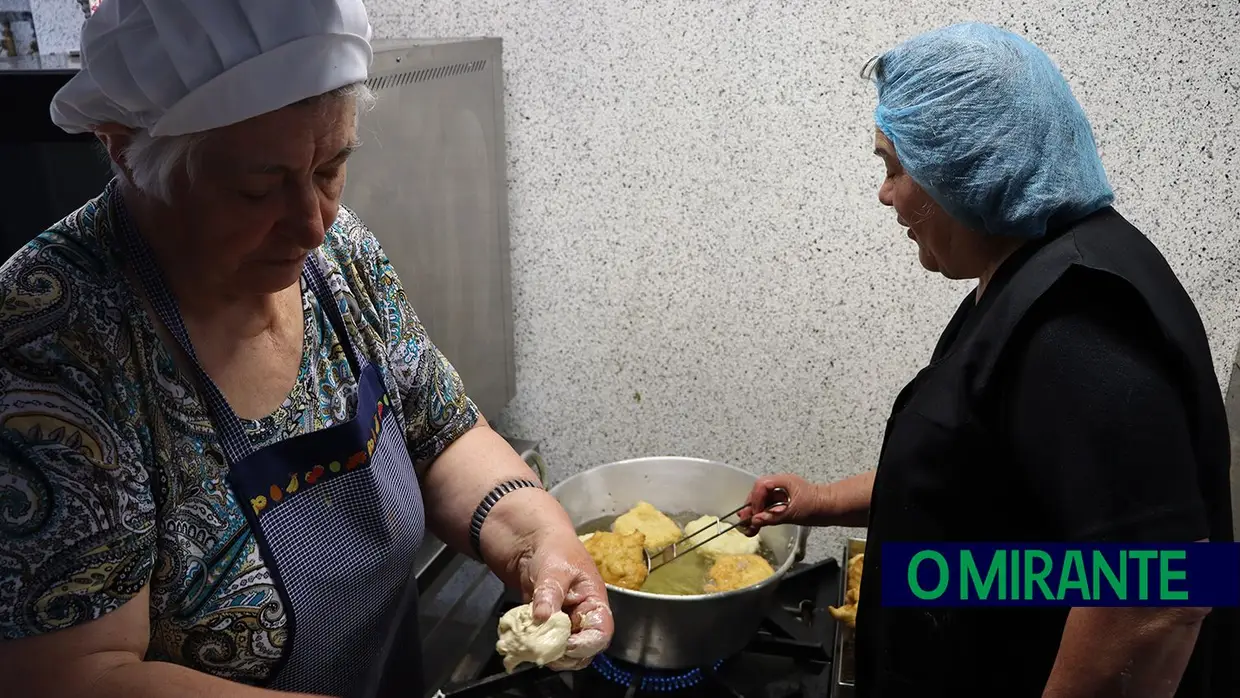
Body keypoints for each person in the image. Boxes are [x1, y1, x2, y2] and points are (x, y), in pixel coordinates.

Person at [0, 2, 612, 697]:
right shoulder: (51, 346)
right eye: (257, 188)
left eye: (330, 168)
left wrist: (538, 538)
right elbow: (71, 676)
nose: (313, 223)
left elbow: (441, 433)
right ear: (125, 150)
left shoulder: (340, 258)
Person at [742, 23, 1237, 698]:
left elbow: (1163, 593)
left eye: (894, 167)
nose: (884, 194)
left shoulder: (1081, 324)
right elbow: (981, 476)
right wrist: (823, 501)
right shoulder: (1026, 271)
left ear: (962, 166)